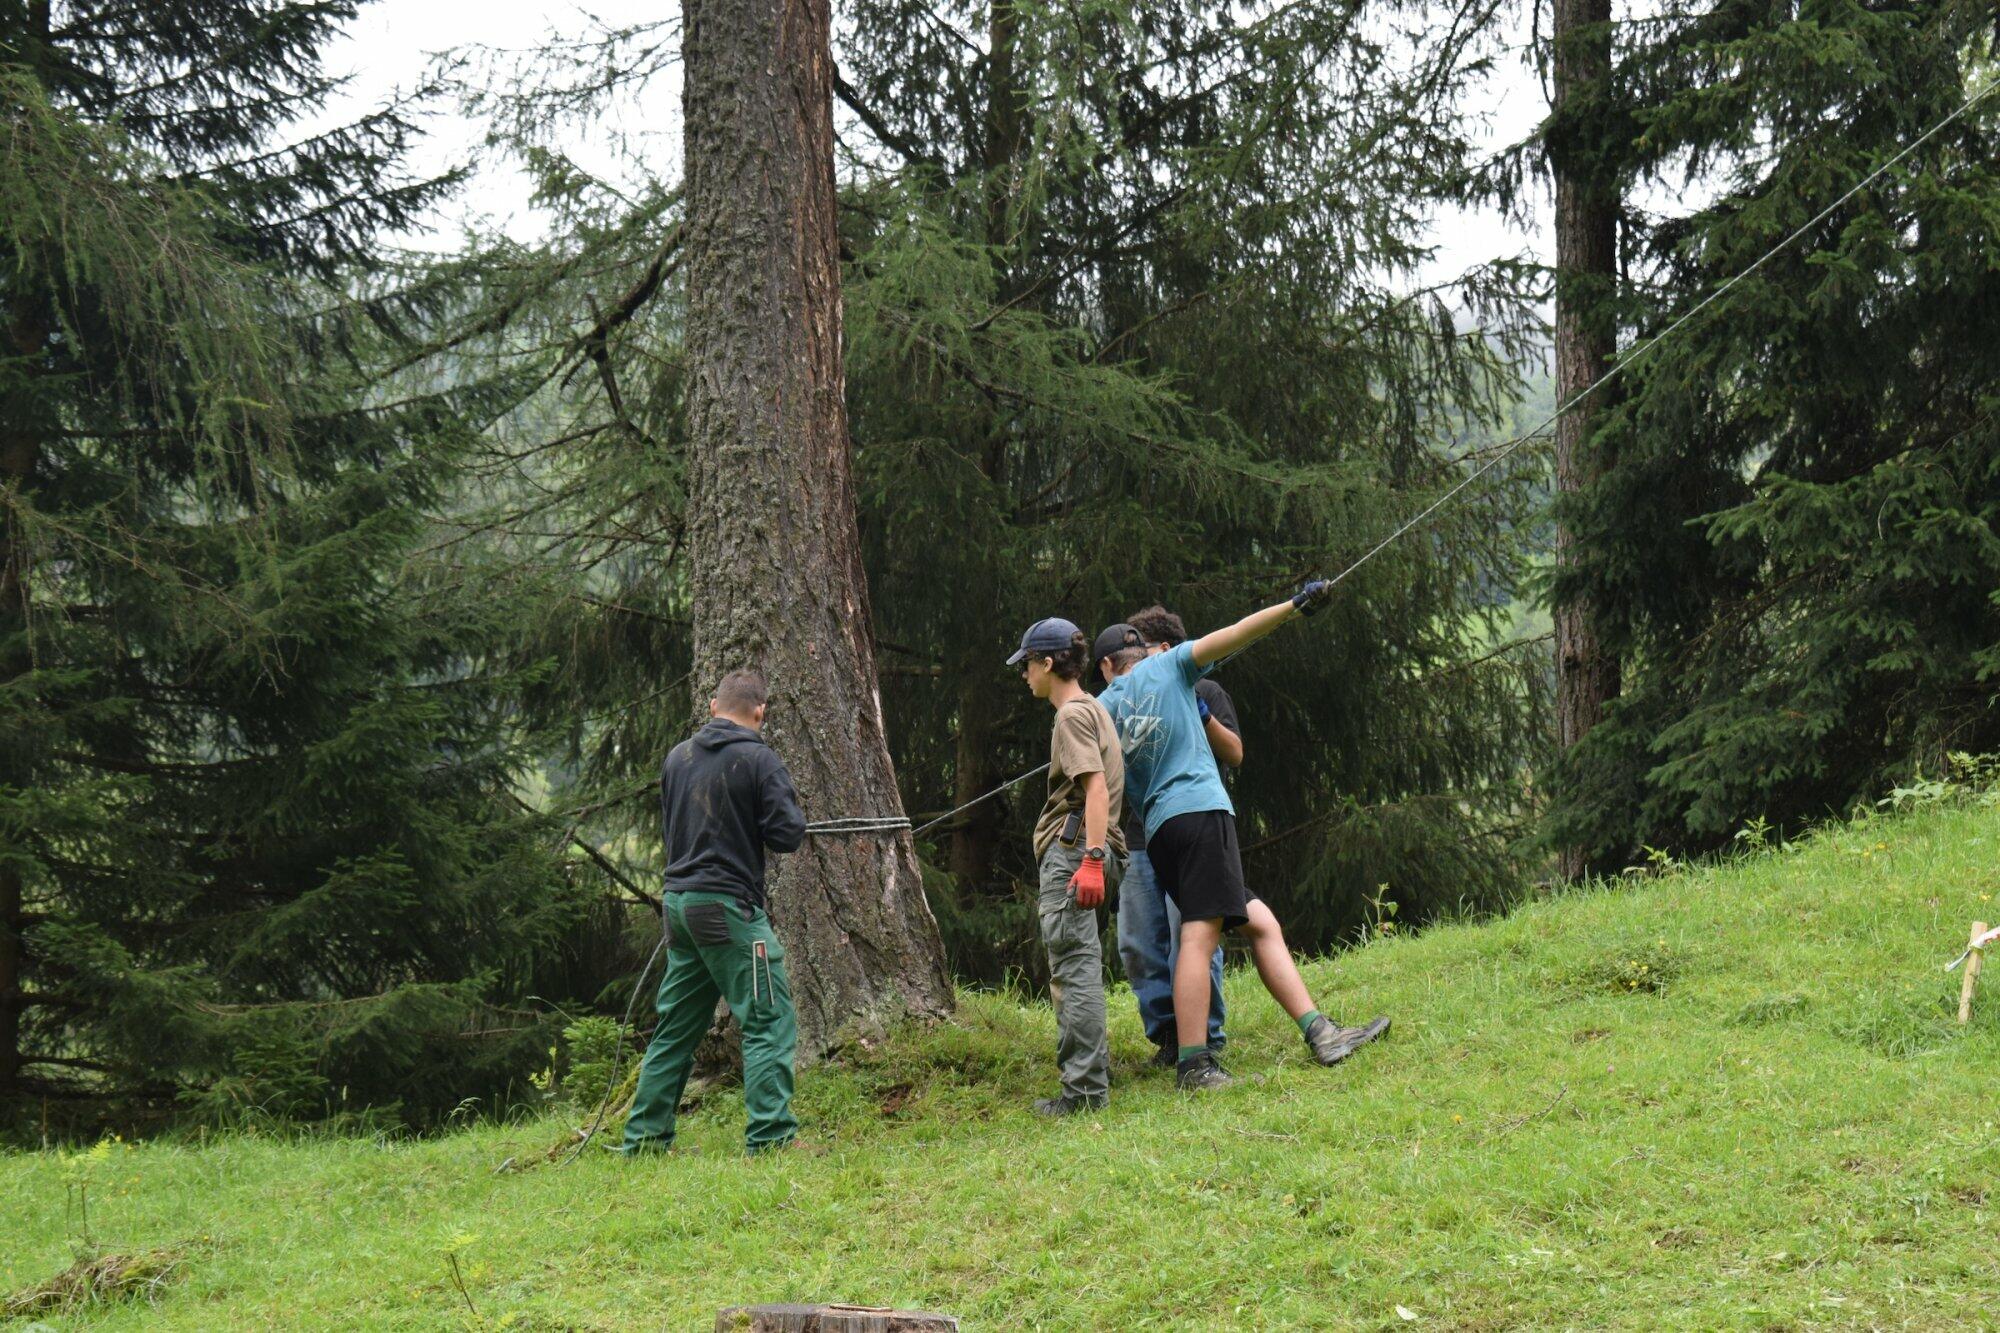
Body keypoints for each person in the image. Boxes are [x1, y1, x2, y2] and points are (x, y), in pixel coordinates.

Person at [1096, 585, 1389, 1091]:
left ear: (1105, 666)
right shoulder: (1169, 666)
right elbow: (1235, 634)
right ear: (1144, 651)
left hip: (1160, 835)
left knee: (1260, 922)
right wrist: (1293, 607)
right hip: (1199, 811)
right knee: (1198, 935)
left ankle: (1320, 1032)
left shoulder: (1100, 710)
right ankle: (1194, 1064)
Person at [621, 669, 808, 1155]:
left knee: (676, 1028)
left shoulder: (677, 757)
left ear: (712, 706)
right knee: (768, 1019)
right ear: (760, 712)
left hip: (679, 909)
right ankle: (771, 1138)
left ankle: (644, 1140)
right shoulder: (760, 759)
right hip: (728, 911)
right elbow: (787, 835)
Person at [1107, 608, 1242, 1067]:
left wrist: (1202, 714)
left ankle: (1205, 1037)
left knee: (1195, 935)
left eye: (1140, 648)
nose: (1132, 660)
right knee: (1139, 943)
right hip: (1141, 835)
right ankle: (1167, 1038)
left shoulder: (1203, 688)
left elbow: (1235, 753)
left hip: (1193, 822)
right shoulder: (1124, 699)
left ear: (1165, 650)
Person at [1007, 617, 1127, 1116]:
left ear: (1048, 662)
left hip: (1078, 854)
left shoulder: (1071, 716)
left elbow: (1095, 789)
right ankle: (1092, 1076)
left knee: (1073, 970)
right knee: (1082, 967)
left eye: (1027, 664)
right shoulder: (1094, 709)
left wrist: (1092, 860)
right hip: (1097, 851)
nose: (1024, 675)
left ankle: (1083, 1094)